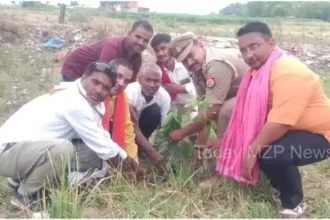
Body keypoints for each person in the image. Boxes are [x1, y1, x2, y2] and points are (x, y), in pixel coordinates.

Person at [216, 21, 330, 217]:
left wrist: (251, 150)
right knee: (264, 146)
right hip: (295, 129)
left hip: (321, 134)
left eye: (254, 46)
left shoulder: (289, 71)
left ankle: (292, 204)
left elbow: (280, 122)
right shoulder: (258, 72)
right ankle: (279, 184)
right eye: (243, 51)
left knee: (274, 152)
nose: (248, 55)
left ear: (271, 42)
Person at [0, 62, 145, 209]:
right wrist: (130, 175)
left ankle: (20, 180)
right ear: (84, 77)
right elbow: (104, 149)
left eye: (105, 88)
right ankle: (23, 196)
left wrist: (132, 163)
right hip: (7, 153)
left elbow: (103, 138)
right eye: (95, 82)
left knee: (89, 151)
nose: (98, 90)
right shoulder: (74, 102)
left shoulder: (86, 98)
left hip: (23, 151)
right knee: (63, 149)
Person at [167, 32, 248, 164]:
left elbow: (212, 109)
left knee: (224, 111)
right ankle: (231, 157)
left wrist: (182, 132)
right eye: (184, 61)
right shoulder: (197, 70)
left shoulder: (215, 64)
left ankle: (223, 169)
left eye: (191, 55)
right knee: (216, 113)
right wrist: (200, 148)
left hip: (259, 96)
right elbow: (204, 109)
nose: (190, 62)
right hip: (241, 96)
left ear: (200, 45)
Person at [60, 19, 154, 82]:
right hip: (76, 67)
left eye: (145, 40)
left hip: (92, 72)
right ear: (129, 34)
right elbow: (103, 76)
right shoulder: (113, 46)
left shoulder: (137, 58)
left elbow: (129, 82)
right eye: (138, 37)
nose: (141, 42)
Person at [125, 63, 171, 158]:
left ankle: (141, 148)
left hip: (142, 128)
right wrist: (152, 152)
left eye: (156, 81)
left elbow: (164, 126)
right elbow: (129, 124)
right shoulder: (129, 92)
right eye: (148, 80)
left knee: (154, 111)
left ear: (160, 81)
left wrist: (162, 147)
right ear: (139, 79)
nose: (152, 85)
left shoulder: (164, 97)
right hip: (126, 128)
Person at [150, 33, 197, 119]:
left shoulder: (184, 63)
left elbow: (198, 87)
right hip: (171, 105)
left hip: (192, 103)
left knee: (196, 123)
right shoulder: (156, 70)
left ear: (171, 47)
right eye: (156, 50)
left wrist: (182, 89)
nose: (160, 53)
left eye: (163, 48)